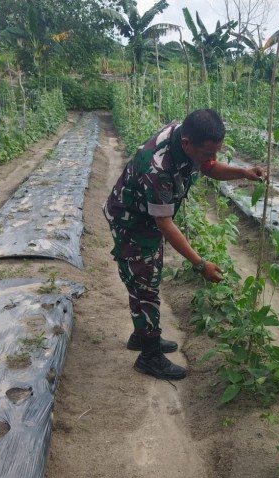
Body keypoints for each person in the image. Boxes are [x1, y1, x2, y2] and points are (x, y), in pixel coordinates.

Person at [103, 108, 264, 381]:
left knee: (146, 279)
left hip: (146, 214)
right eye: (207, 153)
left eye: (216, 152)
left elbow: (209, 167)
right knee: (145, 282)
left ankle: (143, 335)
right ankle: (149, 355)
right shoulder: (158, 167)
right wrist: (200, 264)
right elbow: (165, 224)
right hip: (132, 221)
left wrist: (243, 172)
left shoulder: (190, 139)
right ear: (188, 143)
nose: (211, 159)